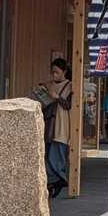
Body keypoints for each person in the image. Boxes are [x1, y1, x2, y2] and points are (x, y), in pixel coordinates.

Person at [37, 58, 73, 199]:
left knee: (57, 154)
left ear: (64, 71)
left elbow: (69, 105)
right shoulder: (50, 84)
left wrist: (56, 97)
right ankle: (53, 182)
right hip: (49, 123)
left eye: (56, 72)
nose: (54, 75)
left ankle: (58, 179)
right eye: (52, 72)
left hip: (61, 124)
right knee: (47, 153)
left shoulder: (70, 86)